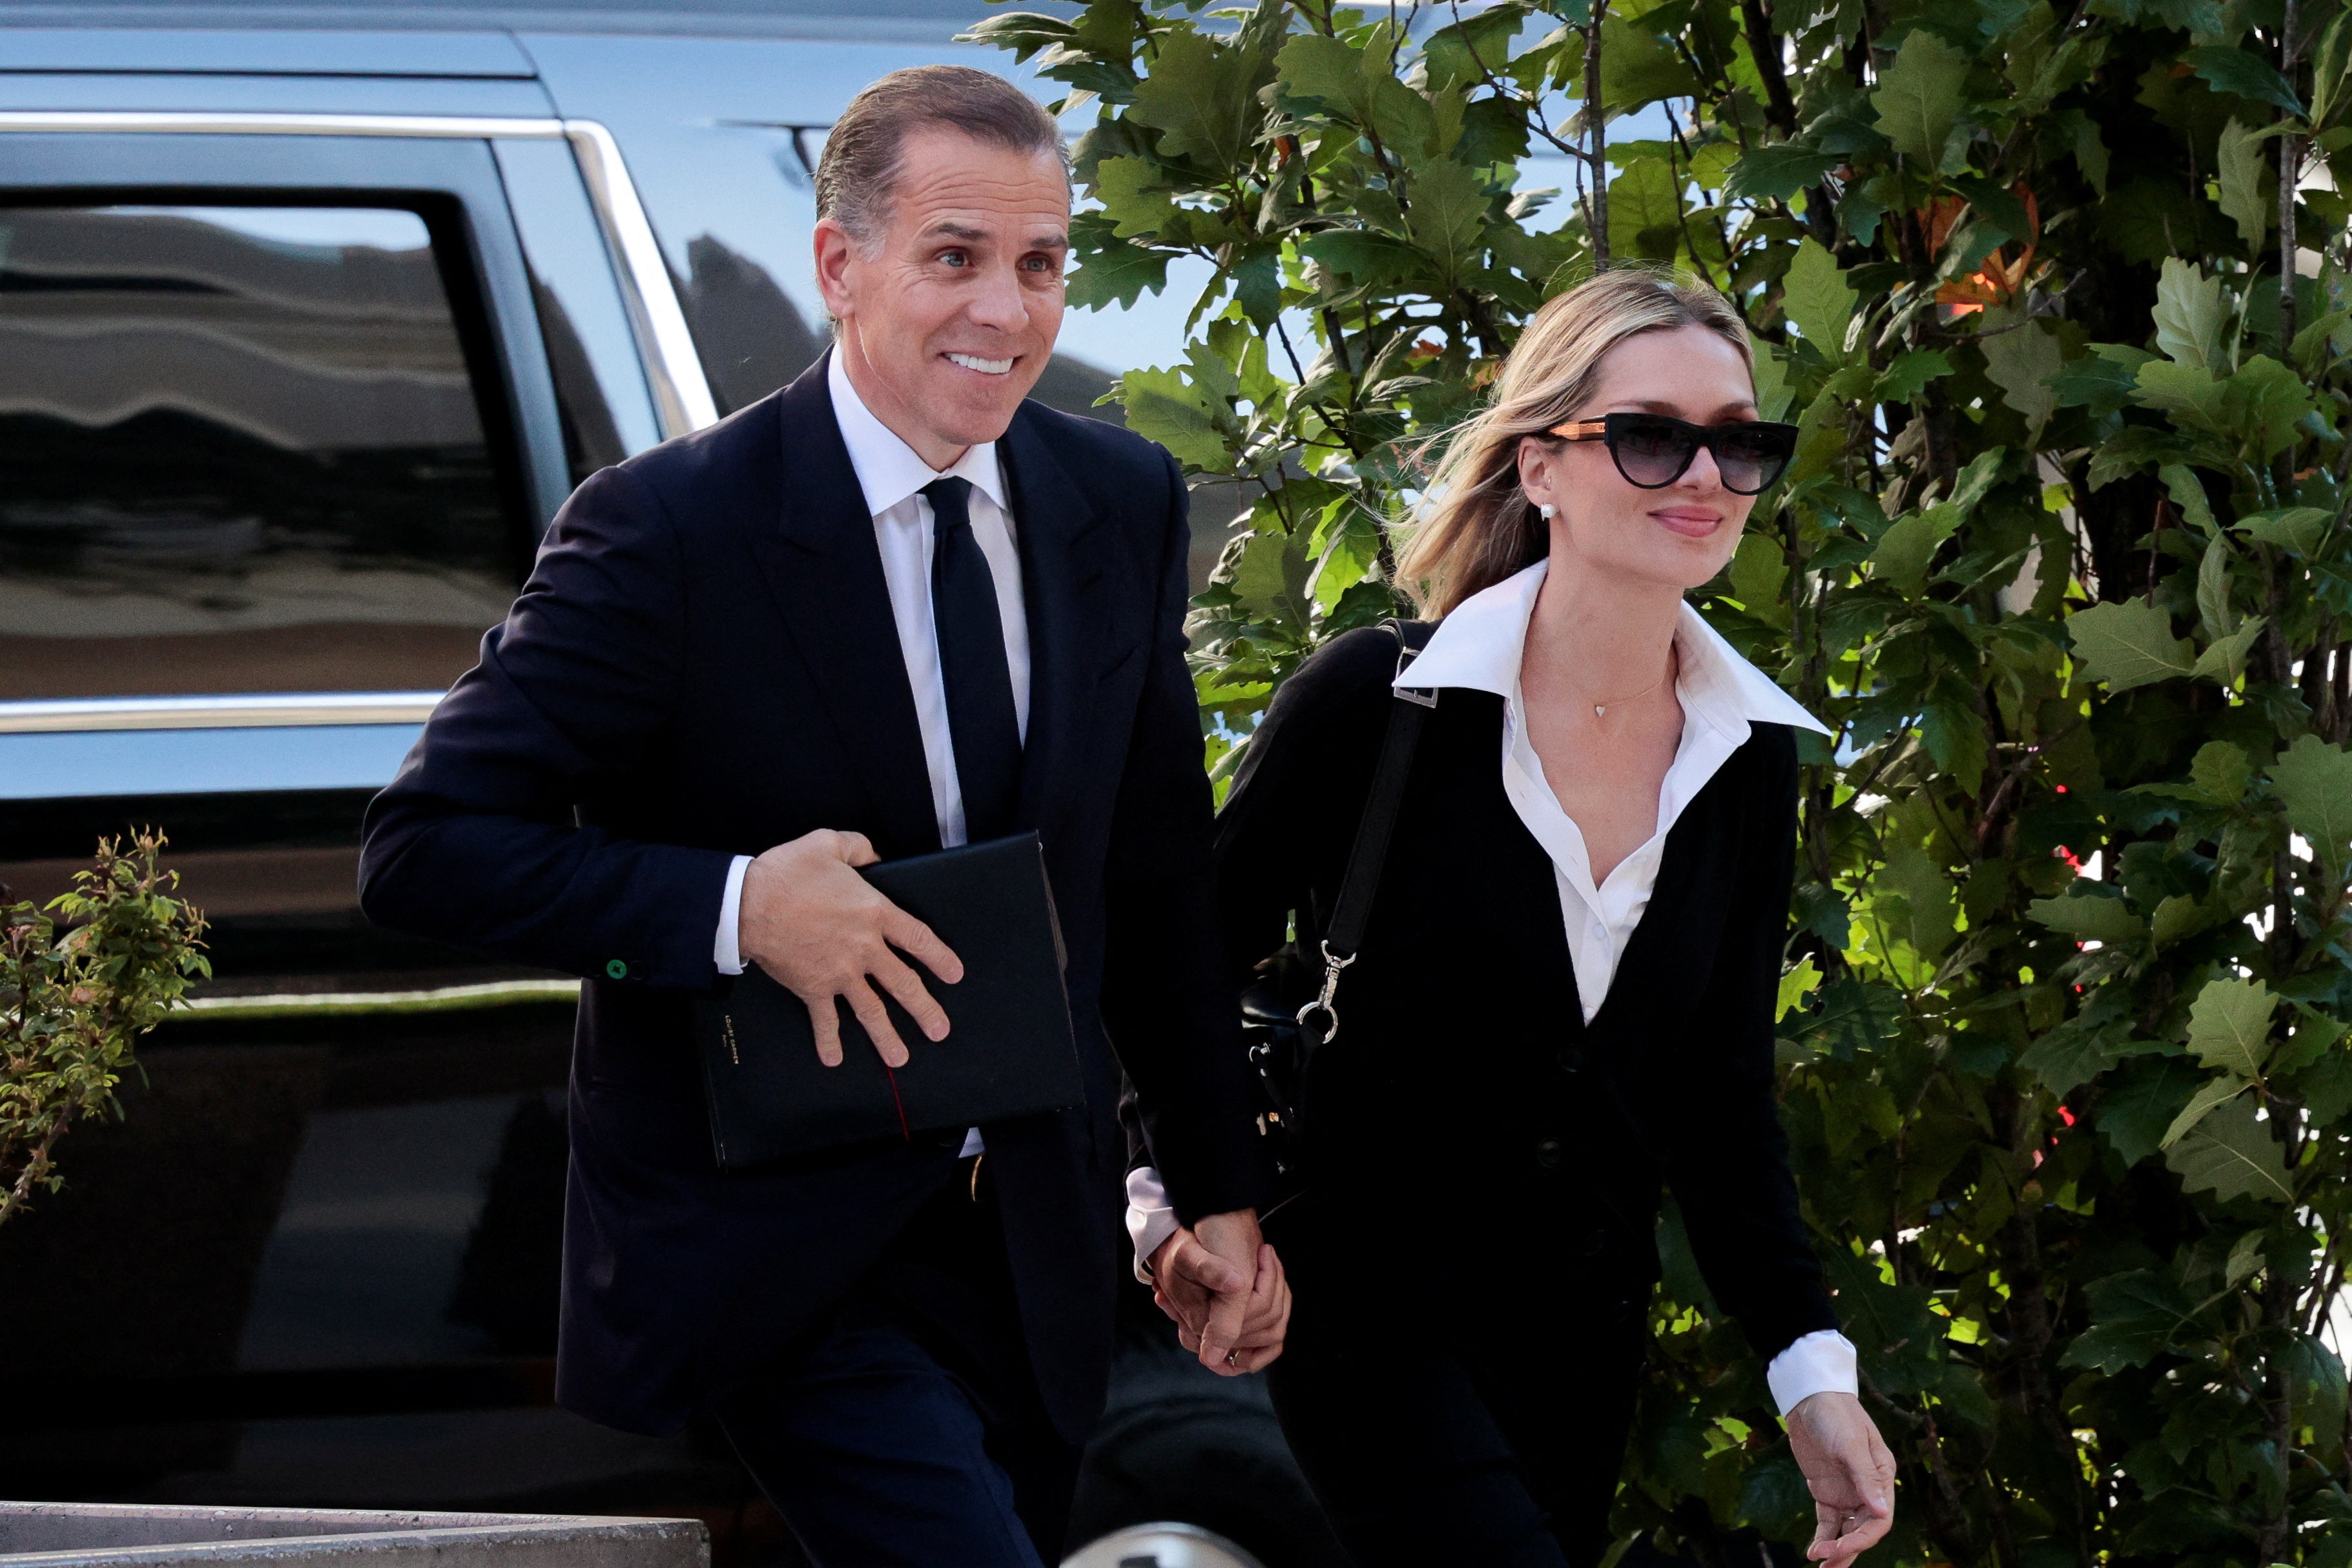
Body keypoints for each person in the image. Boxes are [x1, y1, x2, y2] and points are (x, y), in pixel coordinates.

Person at [358, 65, 1285, 1567]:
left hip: (1034, 1249)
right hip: (785, 1257)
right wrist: (735, 909)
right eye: (956, 257)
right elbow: (424, 853)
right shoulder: (667, 532)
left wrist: (1210, 1188)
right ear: (838, 266)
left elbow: (1160, 879)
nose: (1008, 308)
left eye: (1041, 264)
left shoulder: (1115, 498)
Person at [1137, 269, 1897, 1567]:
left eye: (1741, 440)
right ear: (1542, 463)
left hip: (1578, 1341)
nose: (1702, 474)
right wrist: (1179, 1203)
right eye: (1654, 434)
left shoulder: (1744, 753)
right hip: (1364, 1315)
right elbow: (1172, 975)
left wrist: (1808, 1366)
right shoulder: (1378, 704)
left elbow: (1720, 1098)